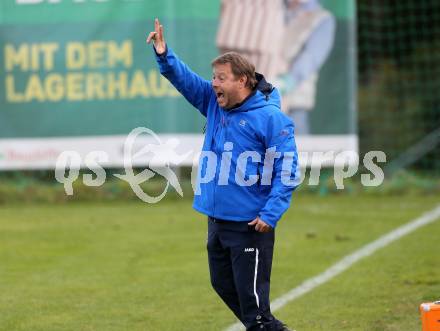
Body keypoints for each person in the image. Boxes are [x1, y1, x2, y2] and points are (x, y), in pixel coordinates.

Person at [147, 18, 299, 331]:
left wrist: (271, 213)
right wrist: (164, 55)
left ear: (243, 81)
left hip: (250, 225)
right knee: (224, 286)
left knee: (255, 311)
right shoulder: (215, 105)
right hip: (216, 220)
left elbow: (287, 170)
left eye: (221, 78)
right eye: (214, 77)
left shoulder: (270, 118)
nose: (214, 83)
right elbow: (187, 81)